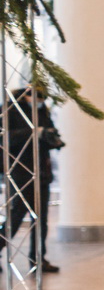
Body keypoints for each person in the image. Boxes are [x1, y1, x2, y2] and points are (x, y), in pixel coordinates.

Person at [2, 87, 61, 273]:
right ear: (26, 96)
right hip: (19, 171)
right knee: (16, 216)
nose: (39, 101)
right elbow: (7, 138)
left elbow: (46, 133)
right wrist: (35, 132)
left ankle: (38, 260)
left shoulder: (42, 110)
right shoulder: (11, 110)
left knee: (41, 219)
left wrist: (52, 138)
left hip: (42, 171)